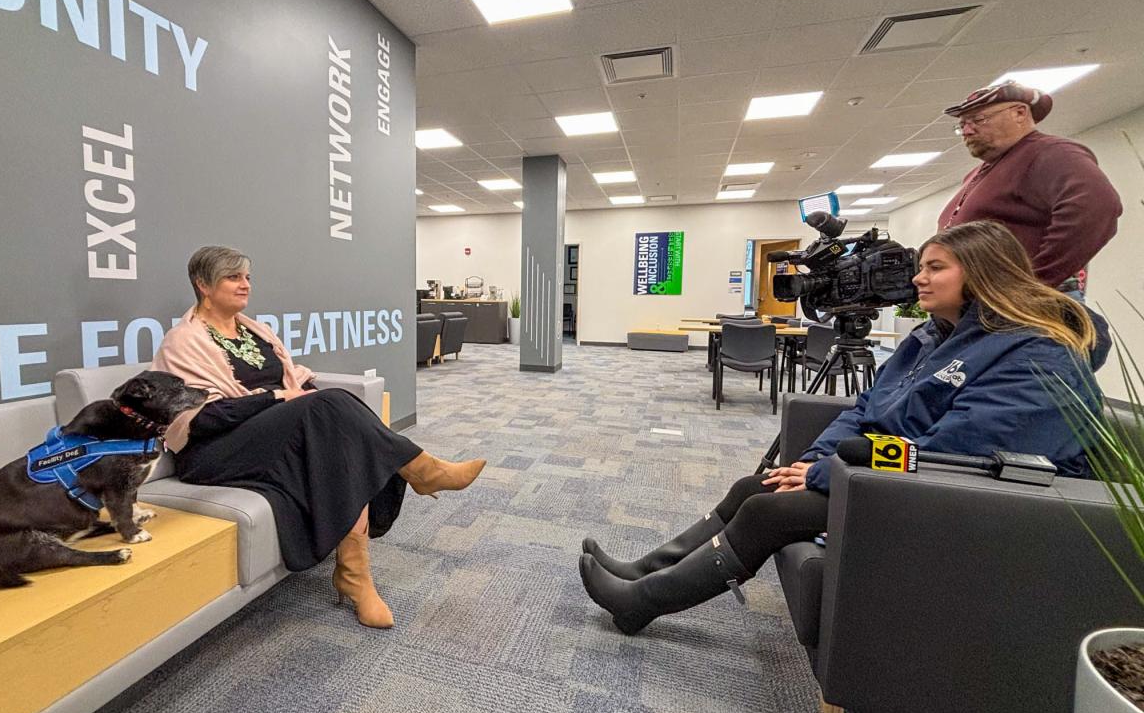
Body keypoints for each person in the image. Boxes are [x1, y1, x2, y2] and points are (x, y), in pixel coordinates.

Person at [580, 221, 1102, 636]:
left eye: (935, 268)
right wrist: (812, 462)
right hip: (886, 469)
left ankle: (641, 604)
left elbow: (959, 449)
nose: (918, 279)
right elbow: (863, 408)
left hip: (953, 495)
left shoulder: (1035, 349)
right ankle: (644, 571)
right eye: (921, 266)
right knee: (753, 486)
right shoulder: (930, 337)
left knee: (766, 510)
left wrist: (827, 473)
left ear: (986, 274)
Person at [152, 246, 486, 629]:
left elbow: (290, 375)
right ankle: (421, 471)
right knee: (328, 409)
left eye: (247, 277)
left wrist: (299, 391)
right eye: (233, 277)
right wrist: (278, 397)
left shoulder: (254, 331)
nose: (245, 285)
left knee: (336, 424)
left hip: (266, 433)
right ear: (202, 284)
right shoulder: (183, 341)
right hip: (215, 449)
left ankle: (355, 573)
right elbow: (200, 419)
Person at [939, 80, 1122, 297]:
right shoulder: (978, 173)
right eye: (962, 125)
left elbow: (1097, 207)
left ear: (1019, 113)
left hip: (1024, 307)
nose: (967, 130)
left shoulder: (1051, 152)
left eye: (979, 119)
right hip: (985, 302)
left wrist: (1035, 283)